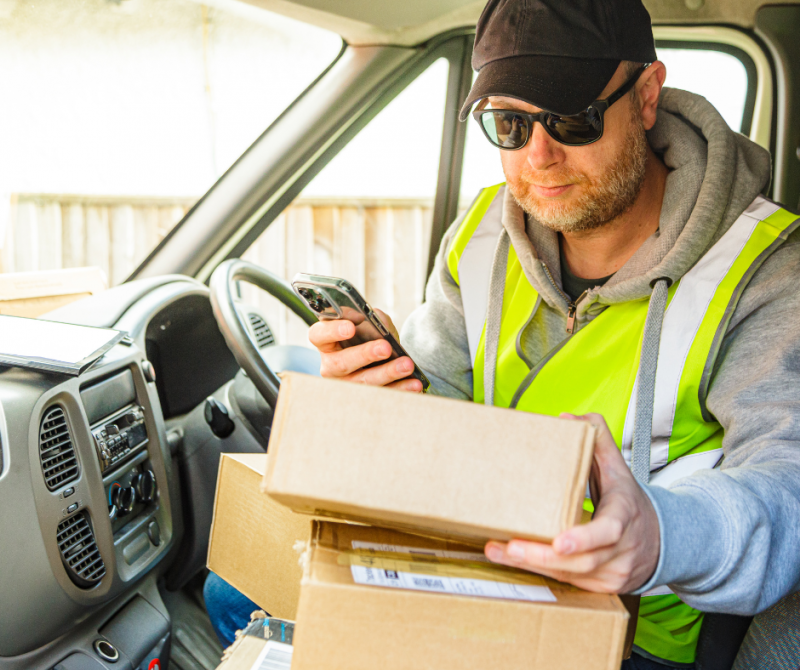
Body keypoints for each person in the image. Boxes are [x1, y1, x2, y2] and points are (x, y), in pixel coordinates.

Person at [308, 0, 800, 668]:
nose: (539, 155)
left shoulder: (766, 270)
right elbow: (440, 412)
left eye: (572, 118)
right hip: (474, 586)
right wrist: (386, 393)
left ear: (647, 95)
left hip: (636, 638)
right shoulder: (481, 233)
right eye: (509, 122)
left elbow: (785, 488)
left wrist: (657, 536)